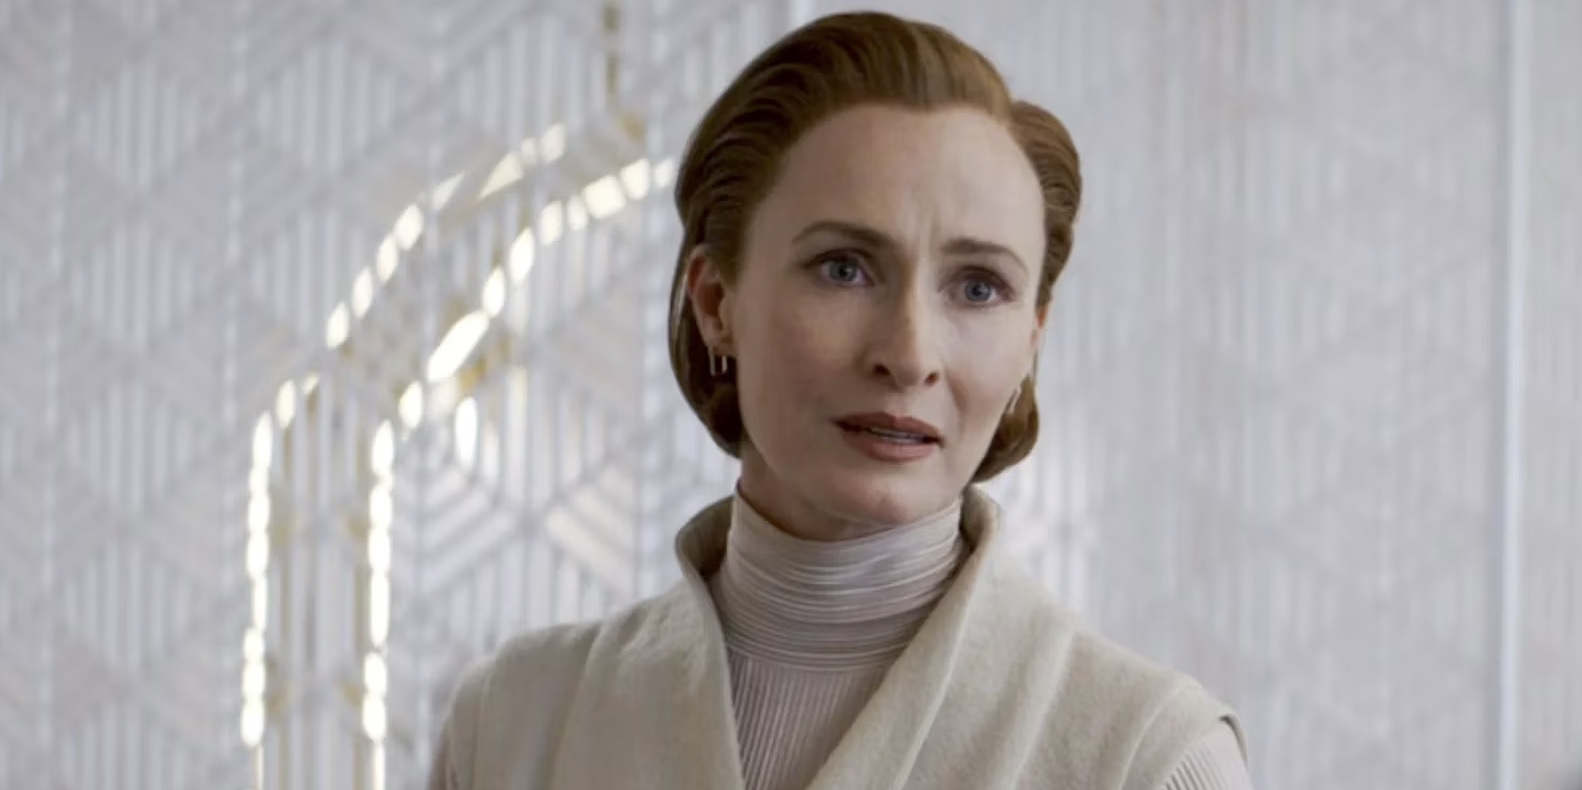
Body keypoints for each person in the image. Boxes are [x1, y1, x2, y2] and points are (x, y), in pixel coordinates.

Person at [428, 11, 1252, 790]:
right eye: (844, 269)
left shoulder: (1147, 760)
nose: (909, 355)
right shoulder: (511, 725)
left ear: (1031, 337)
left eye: (978, 287)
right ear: (716, 302)